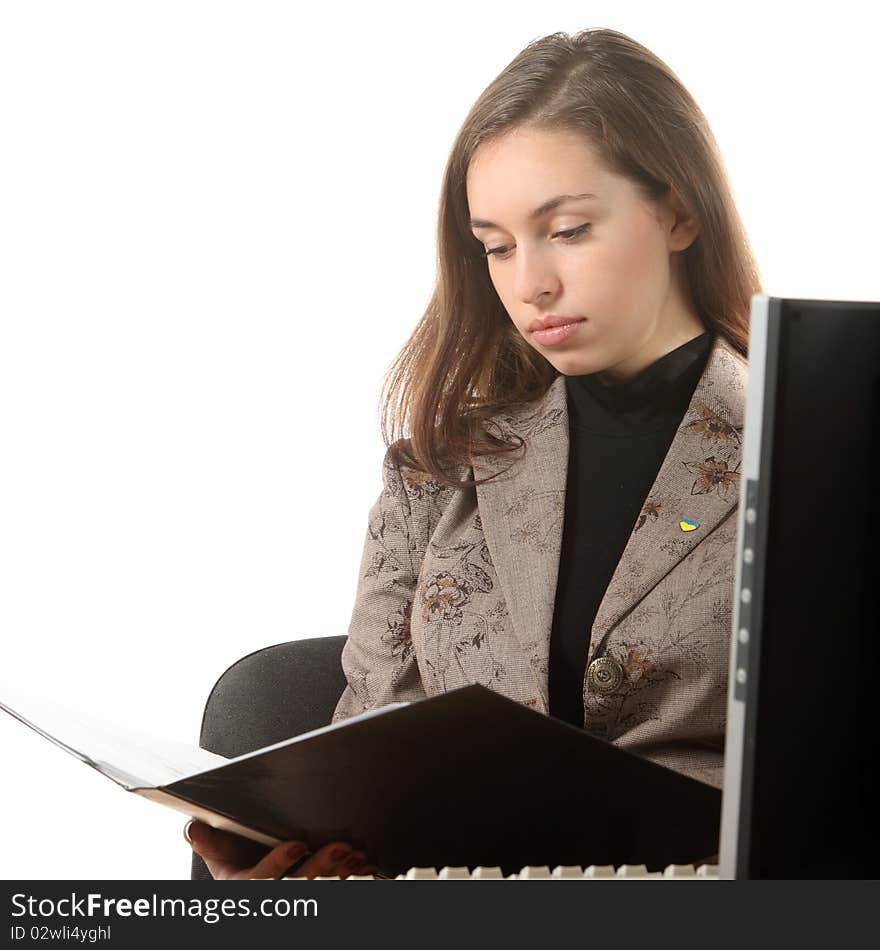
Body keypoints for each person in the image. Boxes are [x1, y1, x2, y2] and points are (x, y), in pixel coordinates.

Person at [187, 26, 760, 880]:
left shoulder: (801, 449)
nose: (530, 282)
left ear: (680, 212)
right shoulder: (442, 458)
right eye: (495, 246)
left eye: (566, 230)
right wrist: (290, 884)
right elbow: (365, 740)